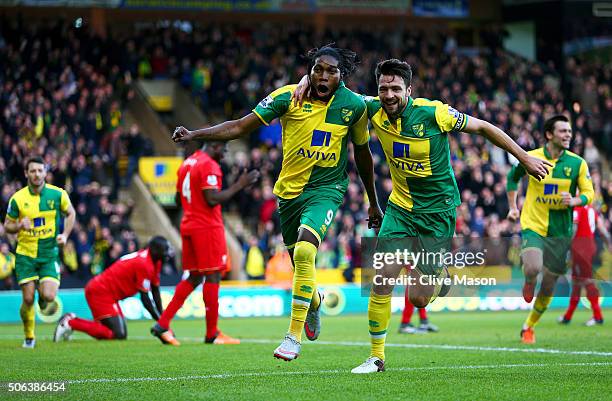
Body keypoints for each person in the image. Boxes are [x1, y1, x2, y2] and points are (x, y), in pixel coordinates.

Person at [292, 59, 551, 373]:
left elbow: (483, 127)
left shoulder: (434, 113)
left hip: (437, 214)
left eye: (395, 89)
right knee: (381, 278)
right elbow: (333, 89)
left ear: (409, 90)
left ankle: (439, 274)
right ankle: (377, 357)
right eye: (383, 88)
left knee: (417, 299)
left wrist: (523, 157)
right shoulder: (371, 108)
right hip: (400, 208)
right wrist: (306, 80)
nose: (388, 95)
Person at [172, 44, 382, 361]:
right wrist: (195, 134)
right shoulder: (287, 97)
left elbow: (363, 155)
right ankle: (313, 302)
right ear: (309, 71)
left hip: (326, 189)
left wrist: (373, 200)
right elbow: (240, 126)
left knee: (307, 250)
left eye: (331, 70)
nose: (324, 75)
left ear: (342, 76)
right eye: (318, 69)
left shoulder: (354, 106)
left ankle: (292, 338)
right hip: (289, 194)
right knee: (301, 264)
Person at [151, 140, 259, 345]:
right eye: (224, 149)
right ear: (215, 146)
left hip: (188, 225)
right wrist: (240, 185)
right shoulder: (208, 164)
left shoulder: (187, 163)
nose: (225, 154)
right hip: (206, 227)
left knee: (193, 277)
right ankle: (212, 333)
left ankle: (162, 323)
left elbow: (176, 199)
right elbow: (211, 199)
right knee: (213, 276)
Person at [506, 115, 594, 344]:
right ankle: (528, 279)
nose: (568, 135)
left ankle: (529, 326)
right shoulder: (530, 157)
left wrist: (575, 201)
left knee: (548, 285)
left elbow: (590, 193)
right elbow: (512, 178)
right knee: (533, 267)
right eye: (563, 131)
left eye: (570, 131)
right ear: (549, 134)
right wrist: (513, 207)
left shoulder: (577, 163)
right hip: (534, 224)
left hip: (561, 231)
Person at [4, 156, 76, 348]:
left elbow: (71, 213)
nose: (36, 174)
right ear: (26, 173)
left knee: (49, 296)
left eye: (40, 170)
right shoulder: (18, 199)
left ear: (45, 172)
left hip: (48, 253)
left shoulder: (57, 195)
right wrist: (19, 224)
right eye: (32, 171)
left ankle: (43, 299)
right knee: (28, 298)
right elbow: (7, 226)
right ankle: (29, 336)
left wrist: (66, 235)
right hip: (25, 254)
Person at [53, 236, 171, 341]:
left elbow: (155, 290)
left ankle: (72, 321)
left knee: (120, 334)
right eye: (164, 251)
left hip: (110, 295)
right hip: (100, 291)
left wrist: (163, 320)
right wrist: (161, 324)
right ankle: (70, 322)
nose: (167, 255)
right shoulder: (144, 264)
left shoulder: (155, 262)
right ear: (156, 250)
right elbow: (145, 299)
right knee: (117, 334)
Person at [558, 204, 610, 326]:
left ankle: (598, 316)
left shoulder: (578, 209)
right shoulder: (592, 209)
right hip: (590, 245)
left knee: (586, 280)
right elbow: (602, 229)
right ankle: (568, 316)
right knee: (576, 281)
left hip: (580, 246)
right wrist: (608, 242)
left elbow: (575, 228)